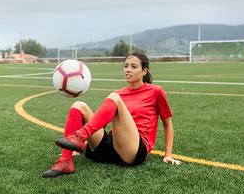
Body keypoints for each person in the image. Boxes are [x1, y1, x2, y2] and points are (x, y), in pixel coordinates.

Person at [42, 52, 181, 178]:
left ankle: (80, 135)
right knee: (78, 106)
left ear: (144, 71)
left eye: (133, 66)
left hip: (133, 151)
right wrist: (81, 146)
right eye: (126, 66)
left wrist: (168, 154)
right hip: (111, 146)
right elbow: (102, 121)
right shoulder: (119, 93)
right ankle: (66, 161)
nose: (128, 69)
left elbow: (167, 124)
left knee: (114, 98)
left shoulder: (155, 91)